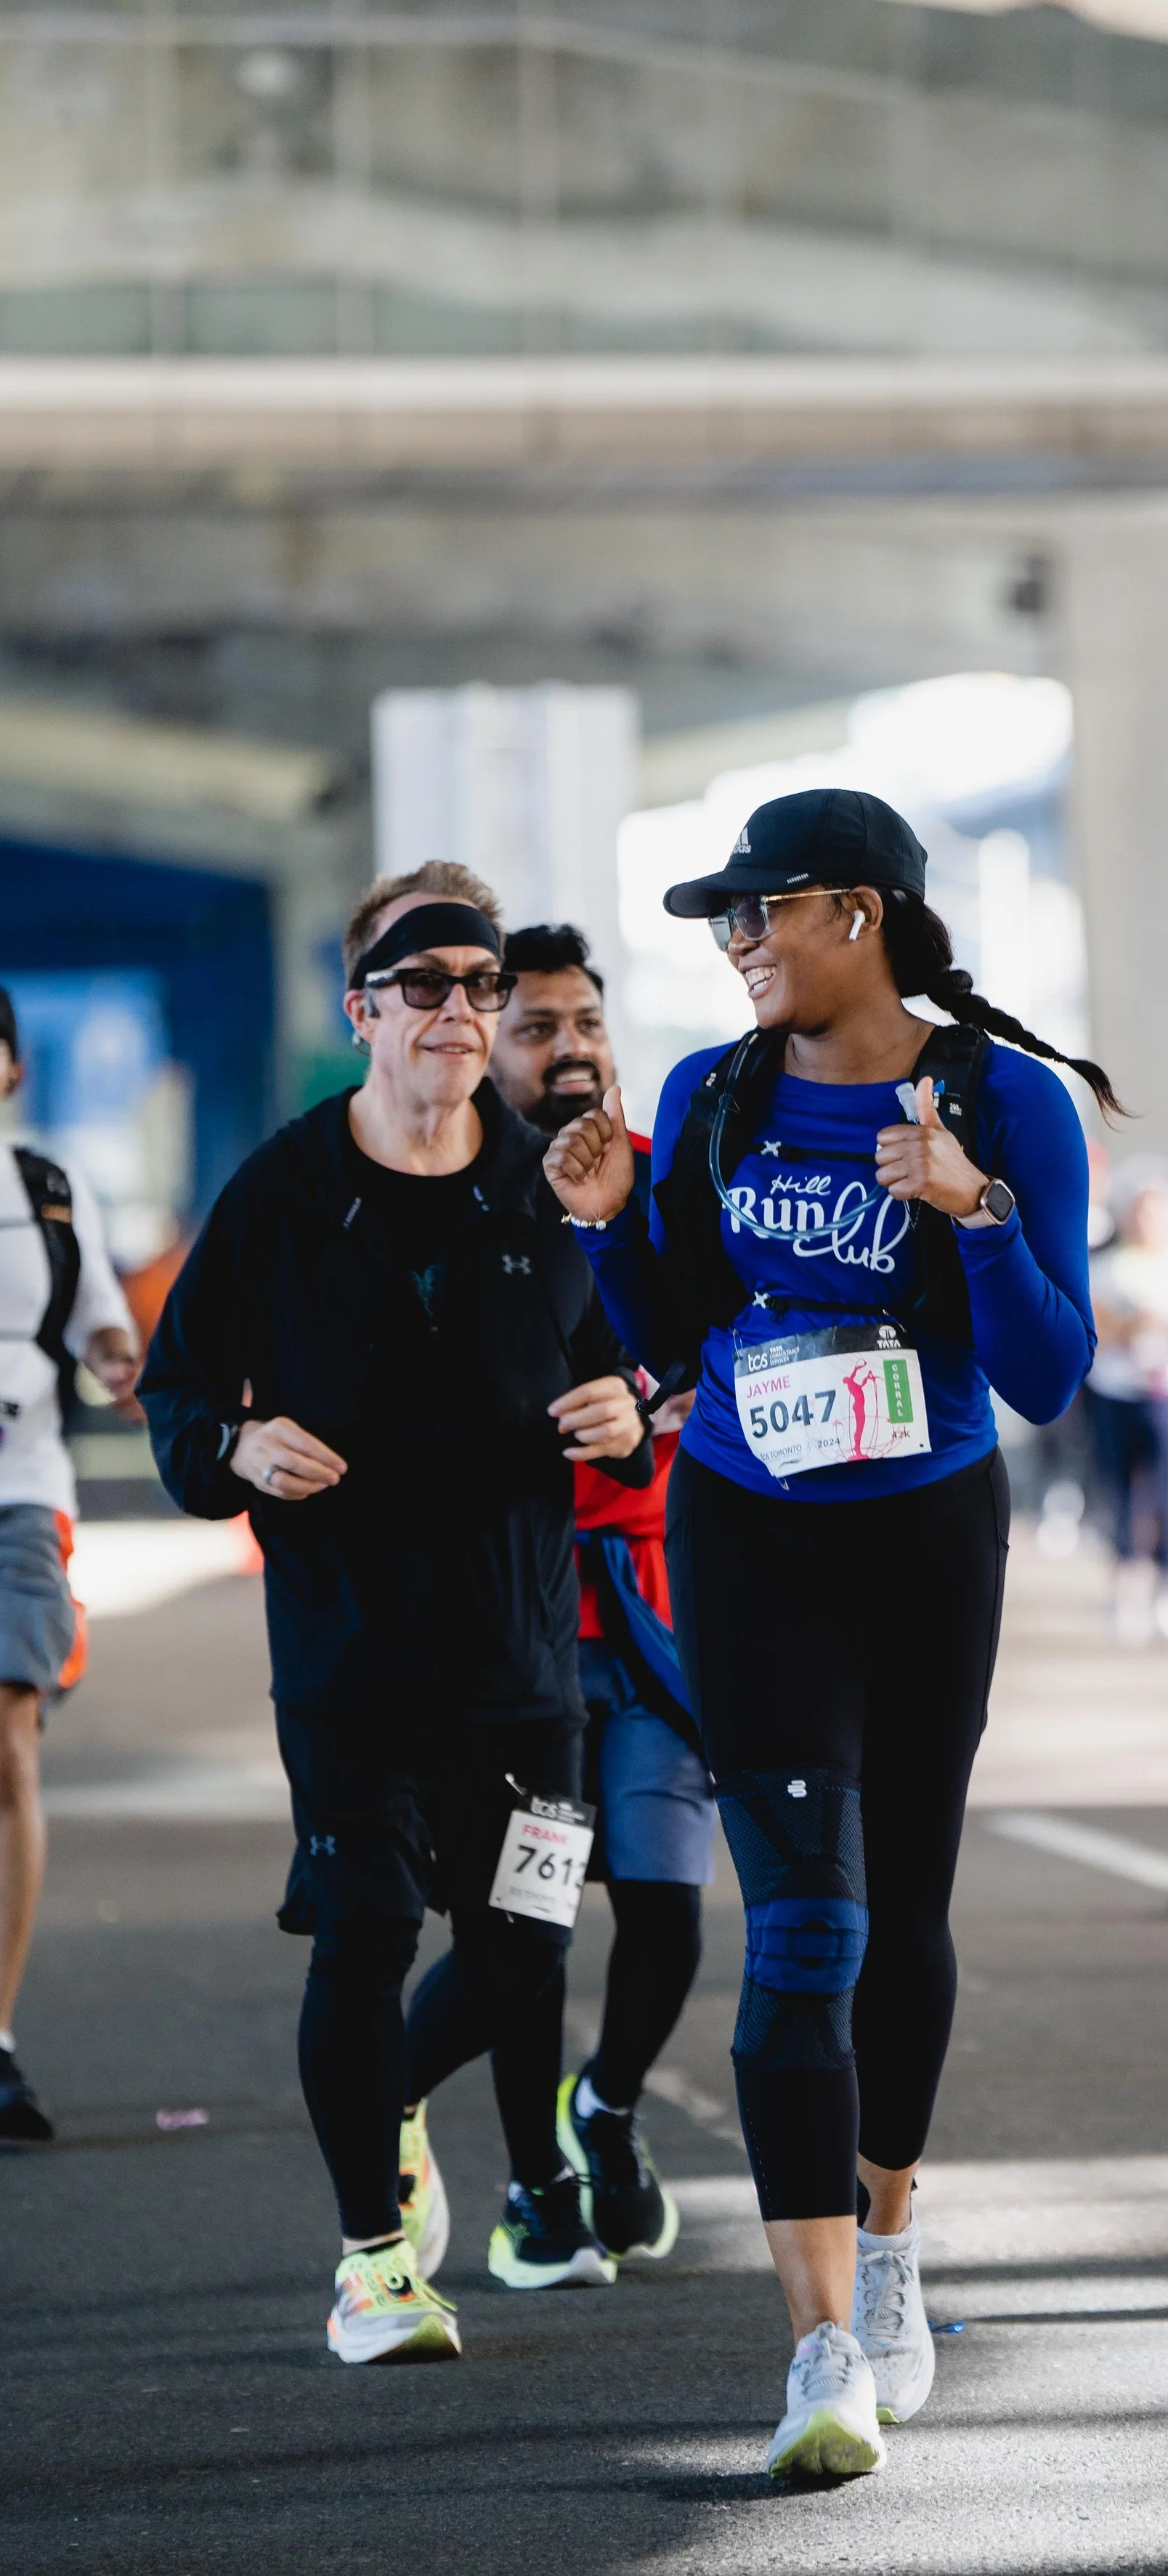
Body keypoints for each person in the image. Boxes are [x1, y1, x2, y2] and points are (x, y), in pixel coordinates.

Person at [541, 787, 1110, 2482]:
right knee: (805, 1923)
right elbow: (671, 1328)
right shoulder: (718, 1092)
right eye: (721, 923)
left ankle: (886, 2236)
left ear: (855, 911)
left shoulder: (1002, 1095)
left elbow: (1046, 1373)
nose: (735, 945)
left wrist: (971, 1207)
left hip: (927, 1530)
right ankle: (812, 2347)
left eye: (758, 912)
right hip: (748, 1525)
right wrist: (599, 1223)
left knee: (909, 1912)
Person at [139, 865, 654, 2365]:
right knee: (363, 1933)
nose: (458, 1013)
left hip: (522, 1655)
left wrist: (629, 1407)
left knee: (520, 1954)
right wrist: (228, 1450)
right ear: (362, 1010)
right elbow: (178, 1388)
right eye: (425, 987)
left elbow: (645, 1355)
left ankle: (414, 2116)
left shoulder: (555, 1184)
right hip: (349, 1647)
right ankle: (373, 2259)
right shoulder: (284, 1191)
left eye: (481, 989)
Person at [490, 922, 713, 2263]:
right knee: (530, 1920)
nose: (566, 1050)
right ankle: (531, 2179)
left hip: (658, 1612)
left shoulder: (665, 1182)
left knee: (670, 1912)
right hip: (520, 1618)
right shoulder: (454, 1195)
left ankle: (610, 2102)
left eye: (583, 1025)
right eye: (536, 1028)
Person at [0, 986, 139, 2142]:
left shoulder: (47, 1192)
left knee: (9, 1742)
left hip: (19, 1494)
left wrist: (122, 1355)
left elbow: (102, 1328)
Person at [1085, 1162, 1168, 1647]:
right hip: (1118, 1392)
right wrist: (1141, 1325)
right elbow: (1101, 1330)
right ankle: (1125, 1586)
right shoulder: (1105, 1266)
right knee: (1121, 1493)